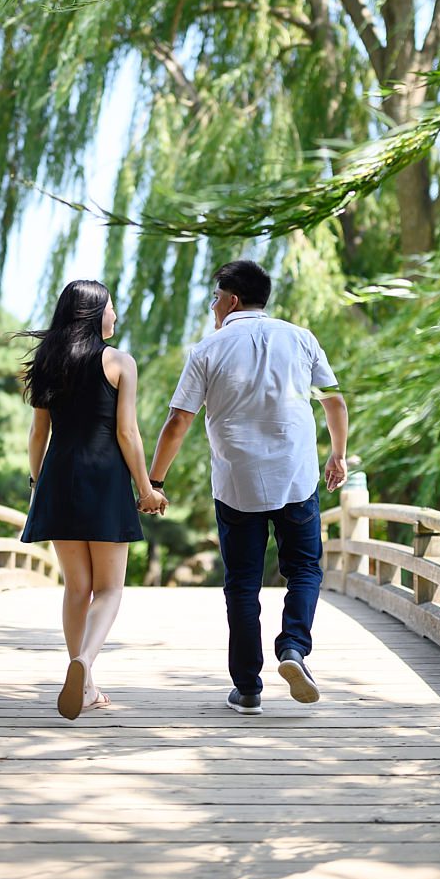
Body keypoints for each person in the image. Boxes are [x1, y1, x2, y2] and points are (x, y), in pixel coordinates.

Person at [149, 259, 348, 715]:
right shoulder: (301, 338)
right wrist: (337, 454)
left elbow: (179, 420)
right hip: (297, 476)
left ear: (231, 299)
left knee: (242, 584)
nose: (213, 307)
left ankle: (248, 688)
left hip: (237, 483)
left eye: (216, 298)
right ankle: (294, 648)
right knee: (305, 570)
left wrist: (155, 480)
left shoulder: (207, 350)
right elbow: (333, 401)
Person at [19, 280, 167, 720]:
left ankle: (85, 683)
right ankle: (84, 664)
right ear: (94, 313)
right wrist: (147, 488)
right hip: (105, 479)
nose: (115, 318)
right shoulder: (120, 362)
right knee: (108, 589)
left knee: (77, 587)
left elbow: (37, 434)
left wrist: (36, 483)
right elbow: (127, 433)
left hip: (59, 478)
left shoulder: (48, 363)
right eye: (111, 309)